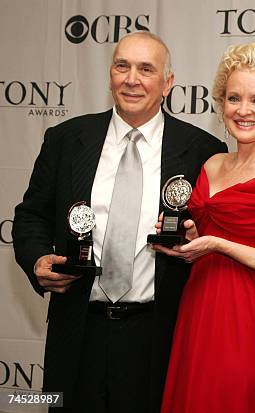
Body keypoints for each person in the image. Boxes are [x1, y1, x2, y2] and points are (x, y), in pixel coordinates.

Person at [12, 32, 227, 412]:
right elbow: (31, 216)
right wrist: (36, 260)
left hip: (159, 334)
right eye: (122, 66)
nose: (132, 79)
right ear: (110, 73)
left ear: (168, 82)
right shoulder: (65, 138)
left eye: (146, 69)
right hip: (77, 330)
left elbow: (218, 238)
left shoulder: (203, 151)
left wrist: (199, 238)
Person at [154, 43, 255, 413]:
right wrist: (188, 240)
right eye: (234, 98)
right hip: (196, 312)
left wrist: (221, 245)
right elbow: (203, 238)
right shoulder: (211, 164)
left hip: (246, 322)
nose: (243, 110)